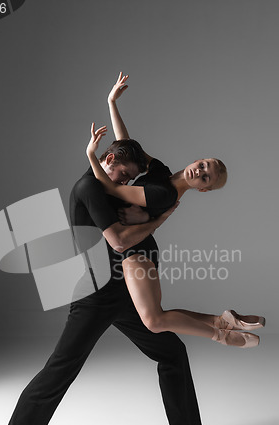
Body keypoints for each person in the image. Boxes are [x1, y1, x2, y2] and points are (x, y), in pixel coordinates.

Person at [0, 131, 206, 425]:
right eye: (123, 174)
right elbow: (119, 240)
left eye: (129, 179)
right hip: (94, 294)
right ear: (108, 160)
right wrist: (160, 218)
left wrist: (113, 104)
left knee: (172, 352)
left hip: (125, 291)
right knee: (60, 370)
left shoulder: (108, 182)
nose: (124, 183)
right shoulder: (89, 187)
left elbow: (130, 154)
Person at [86, 72, 265, 349]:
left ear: (202, 189)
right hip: (141, 248)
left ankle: (223, 335)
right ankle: (222, 320)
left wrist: (90, 155)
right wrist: (112, 103)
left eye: (205, 177)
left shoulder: (164, 193)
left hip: (137, 251)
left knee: (154, 321)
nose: (200, 171)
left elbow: (112, 189)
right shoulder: (162, 172)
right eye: (204, 165)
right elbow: (128, 148)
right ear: (198, 159)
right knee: (156, 316)